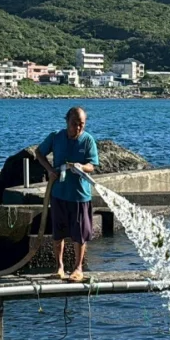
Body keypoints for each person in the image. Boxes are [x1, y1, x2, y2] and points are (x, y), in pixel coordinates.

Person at [33, 106, 99, 281]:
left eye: (81, 124)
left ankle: (78, 268)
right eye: (74, 124)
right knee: (58, 233)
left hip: (79, 195)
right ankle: (60, 267)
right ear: (67, 121)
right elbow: (38, 152)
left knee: (80, 234)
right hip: (59, 193)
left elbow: (92, 165)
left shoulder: (88, 141)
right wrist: (49, 169)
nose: (77, 128)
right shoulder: (56, 137)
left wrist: (81, 166)